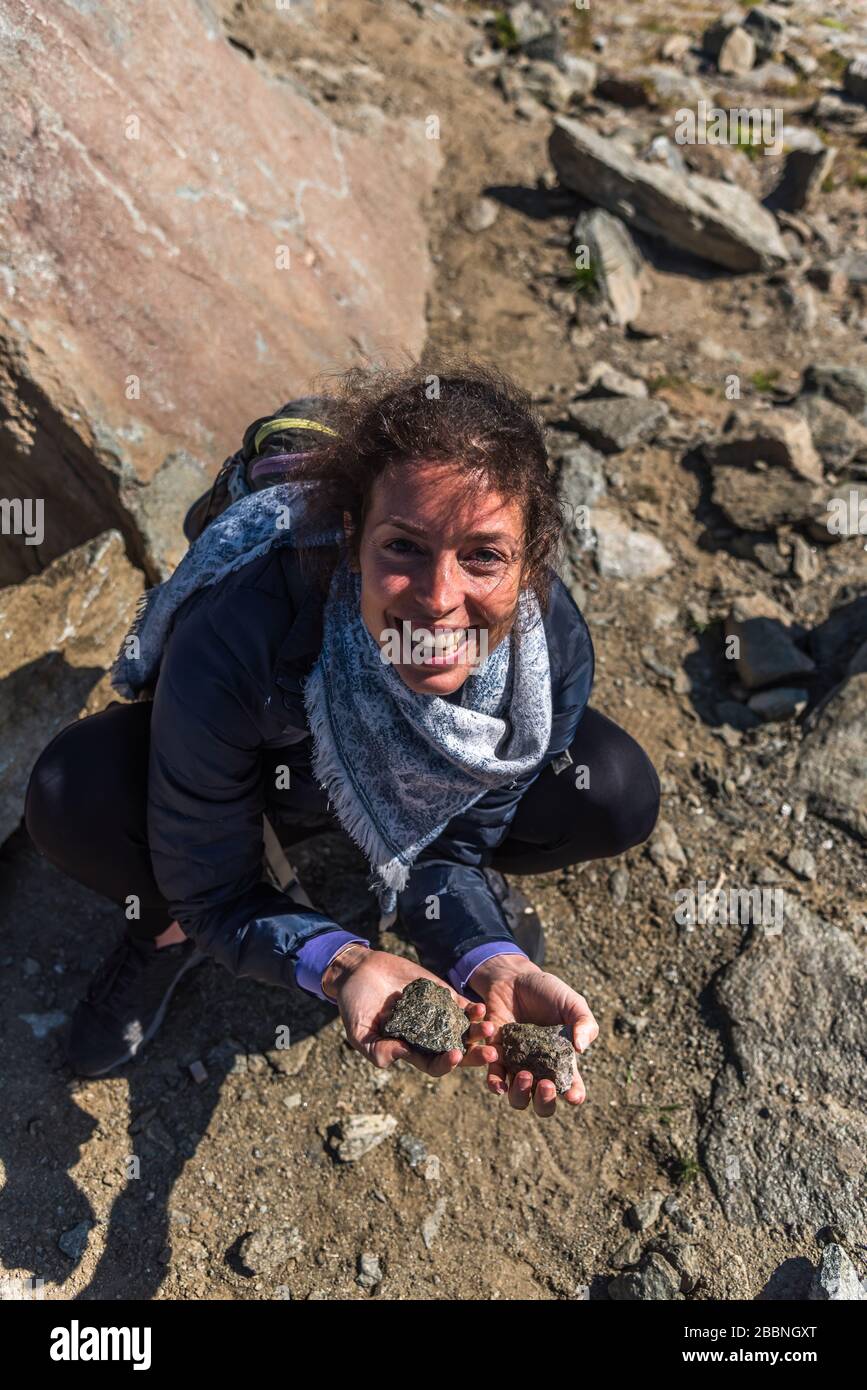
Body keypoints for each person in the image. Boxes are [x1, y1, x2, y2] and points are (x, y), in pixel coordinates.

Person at [24, 364, 660, 1120]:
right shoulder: (241, 629)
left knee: (613, 788)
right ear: (351, 536)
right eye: (403, 547)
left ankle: (439, 911)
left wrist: (485, 955)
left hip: (369, 791)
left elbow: (455, 847)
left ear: (533, 557)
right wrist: (340, 962)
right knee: (74, 791)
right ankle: (167, 929)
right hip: (266, 774)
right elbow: (215, 886)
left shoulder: (547, 653)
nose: (437, 599)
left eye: (483, 555)